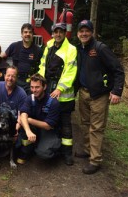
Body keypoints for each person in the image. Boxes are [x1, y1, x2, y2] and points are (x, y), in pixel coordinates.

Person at [76, 20, 125, 174]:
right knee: (84, 123)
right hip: (83, 93)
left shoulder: (100, 48)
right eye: (81, 31)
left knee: (96, 127)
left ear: (92, 32)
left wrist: (117, 91)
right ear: (78, 34)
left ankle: (95, 160)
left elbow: (118, 70)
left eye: (87, 31)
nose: (84, 34)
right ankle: (87, 149)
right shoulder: (80, 49)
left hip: (99, 95)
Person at [38, 23, 77, 166]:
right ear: (52, 33)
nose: (58, 34)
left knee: (65, 124)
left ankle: (67, 153)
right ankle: (50, 146)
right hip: (48, 88)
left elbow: (70, 71)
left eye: (61, 32)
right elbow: (43, 65)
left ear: (64, 33)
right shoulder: (49, 45)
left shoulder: (71, 49)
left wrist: (60, 88)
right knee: (49, 119)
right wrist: (41, 83)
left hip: (64, 94)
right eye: (55, 32)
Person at [17, 73, 60, 164]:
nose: (34, 90)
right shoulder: (30, 98)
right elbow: (23, 114)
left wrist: (30, 120)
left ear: (44, 87)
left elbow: (48, 126)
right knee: (23, 124)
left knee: (43, 153)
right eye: (32, 87)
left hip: (48, 131)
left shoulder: (53, 102)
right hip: (35, 129)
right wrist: (28, 131)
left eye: (37, 87)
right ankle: (26, 151)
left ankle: (56, 148)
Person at [1, 23, 43, 94]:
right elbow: (1, 57)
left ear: (33, 35)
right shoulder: (14, 46)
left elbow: (42, 67)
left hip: (30, 83)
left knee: (29, 103)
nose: (27, 34)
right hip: (15, 81)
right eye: (25, 32)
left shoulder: (38, 50)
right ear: (21, 34)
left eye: (30, 32)